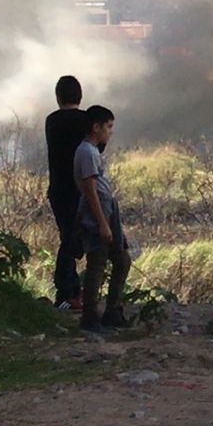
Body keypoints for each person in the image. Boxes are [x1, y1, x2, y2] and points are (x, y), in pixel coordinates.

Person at [76, 105, 132, 333]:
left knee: (122, 260)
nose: (110, 132)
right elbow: (90, 189)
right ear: (95, 127)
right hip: (97, 211)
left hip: (106, 209)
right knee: (97, 264)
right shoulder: (87, 152)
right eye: (108, 127)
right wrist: (102, 223)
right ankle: (91, 318)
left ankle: (112, 311)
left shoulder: (92, 151)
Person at [44, 76, 89, 310]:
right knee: (73, 241)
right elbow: (97, 146)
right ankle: (67, 293)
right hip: (81, 189)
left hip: (58, 190)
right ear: (79, 96)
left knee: (68, 238)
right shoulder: (86, 121)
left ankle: (71, 292)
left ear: (58, 96)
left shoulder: (51, 121)